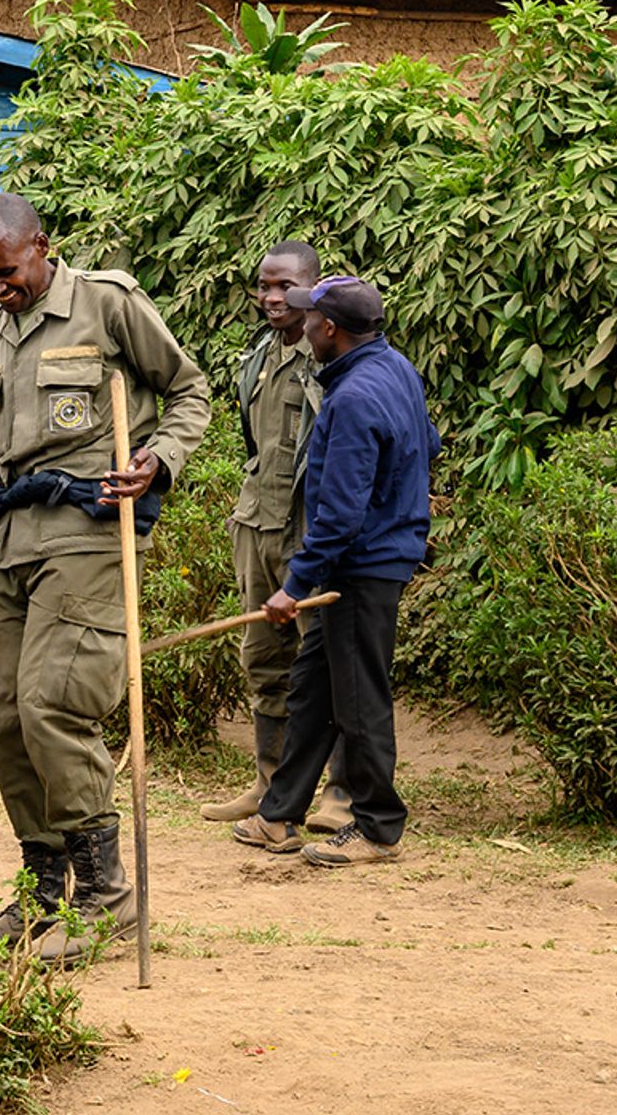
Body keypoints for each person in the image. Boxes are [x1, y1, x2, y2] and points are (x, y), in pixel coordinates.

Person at [0, 193, 211, 961]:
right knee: (6, 719)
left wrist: (160, 457)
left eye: (6, 273)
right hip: (11, 549)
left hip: (90, 534)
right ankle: (41, 888)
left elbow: (189, 390)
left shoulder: (107, 301)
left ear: (40, 246)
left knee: (53, 706)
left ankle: (105, 896)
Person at [231, 276, 440, 868]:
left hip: (363, 566)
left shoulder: (350, 399)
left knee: (358, 698)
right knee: (315, 687)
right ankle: (278, 817)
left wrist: (293, 587)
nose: (300, 324)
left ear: (329, 329)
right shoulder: (396, 368)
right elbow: (431, 442)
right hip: (375, 555)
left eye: (309, 318)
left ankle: (378, 828)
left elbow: (341, 513)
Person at [200, 241, 351, 832]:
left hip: (307, 536)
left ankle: (340, 793)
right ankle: (271, 783)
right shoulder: (258, 357)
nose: (271, 297)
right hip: (256, 527)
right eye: (263, 286)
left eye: (285, 286)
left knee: (328, 665)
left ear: (312, 289)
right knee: (264, 660)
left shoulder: (330, 358)